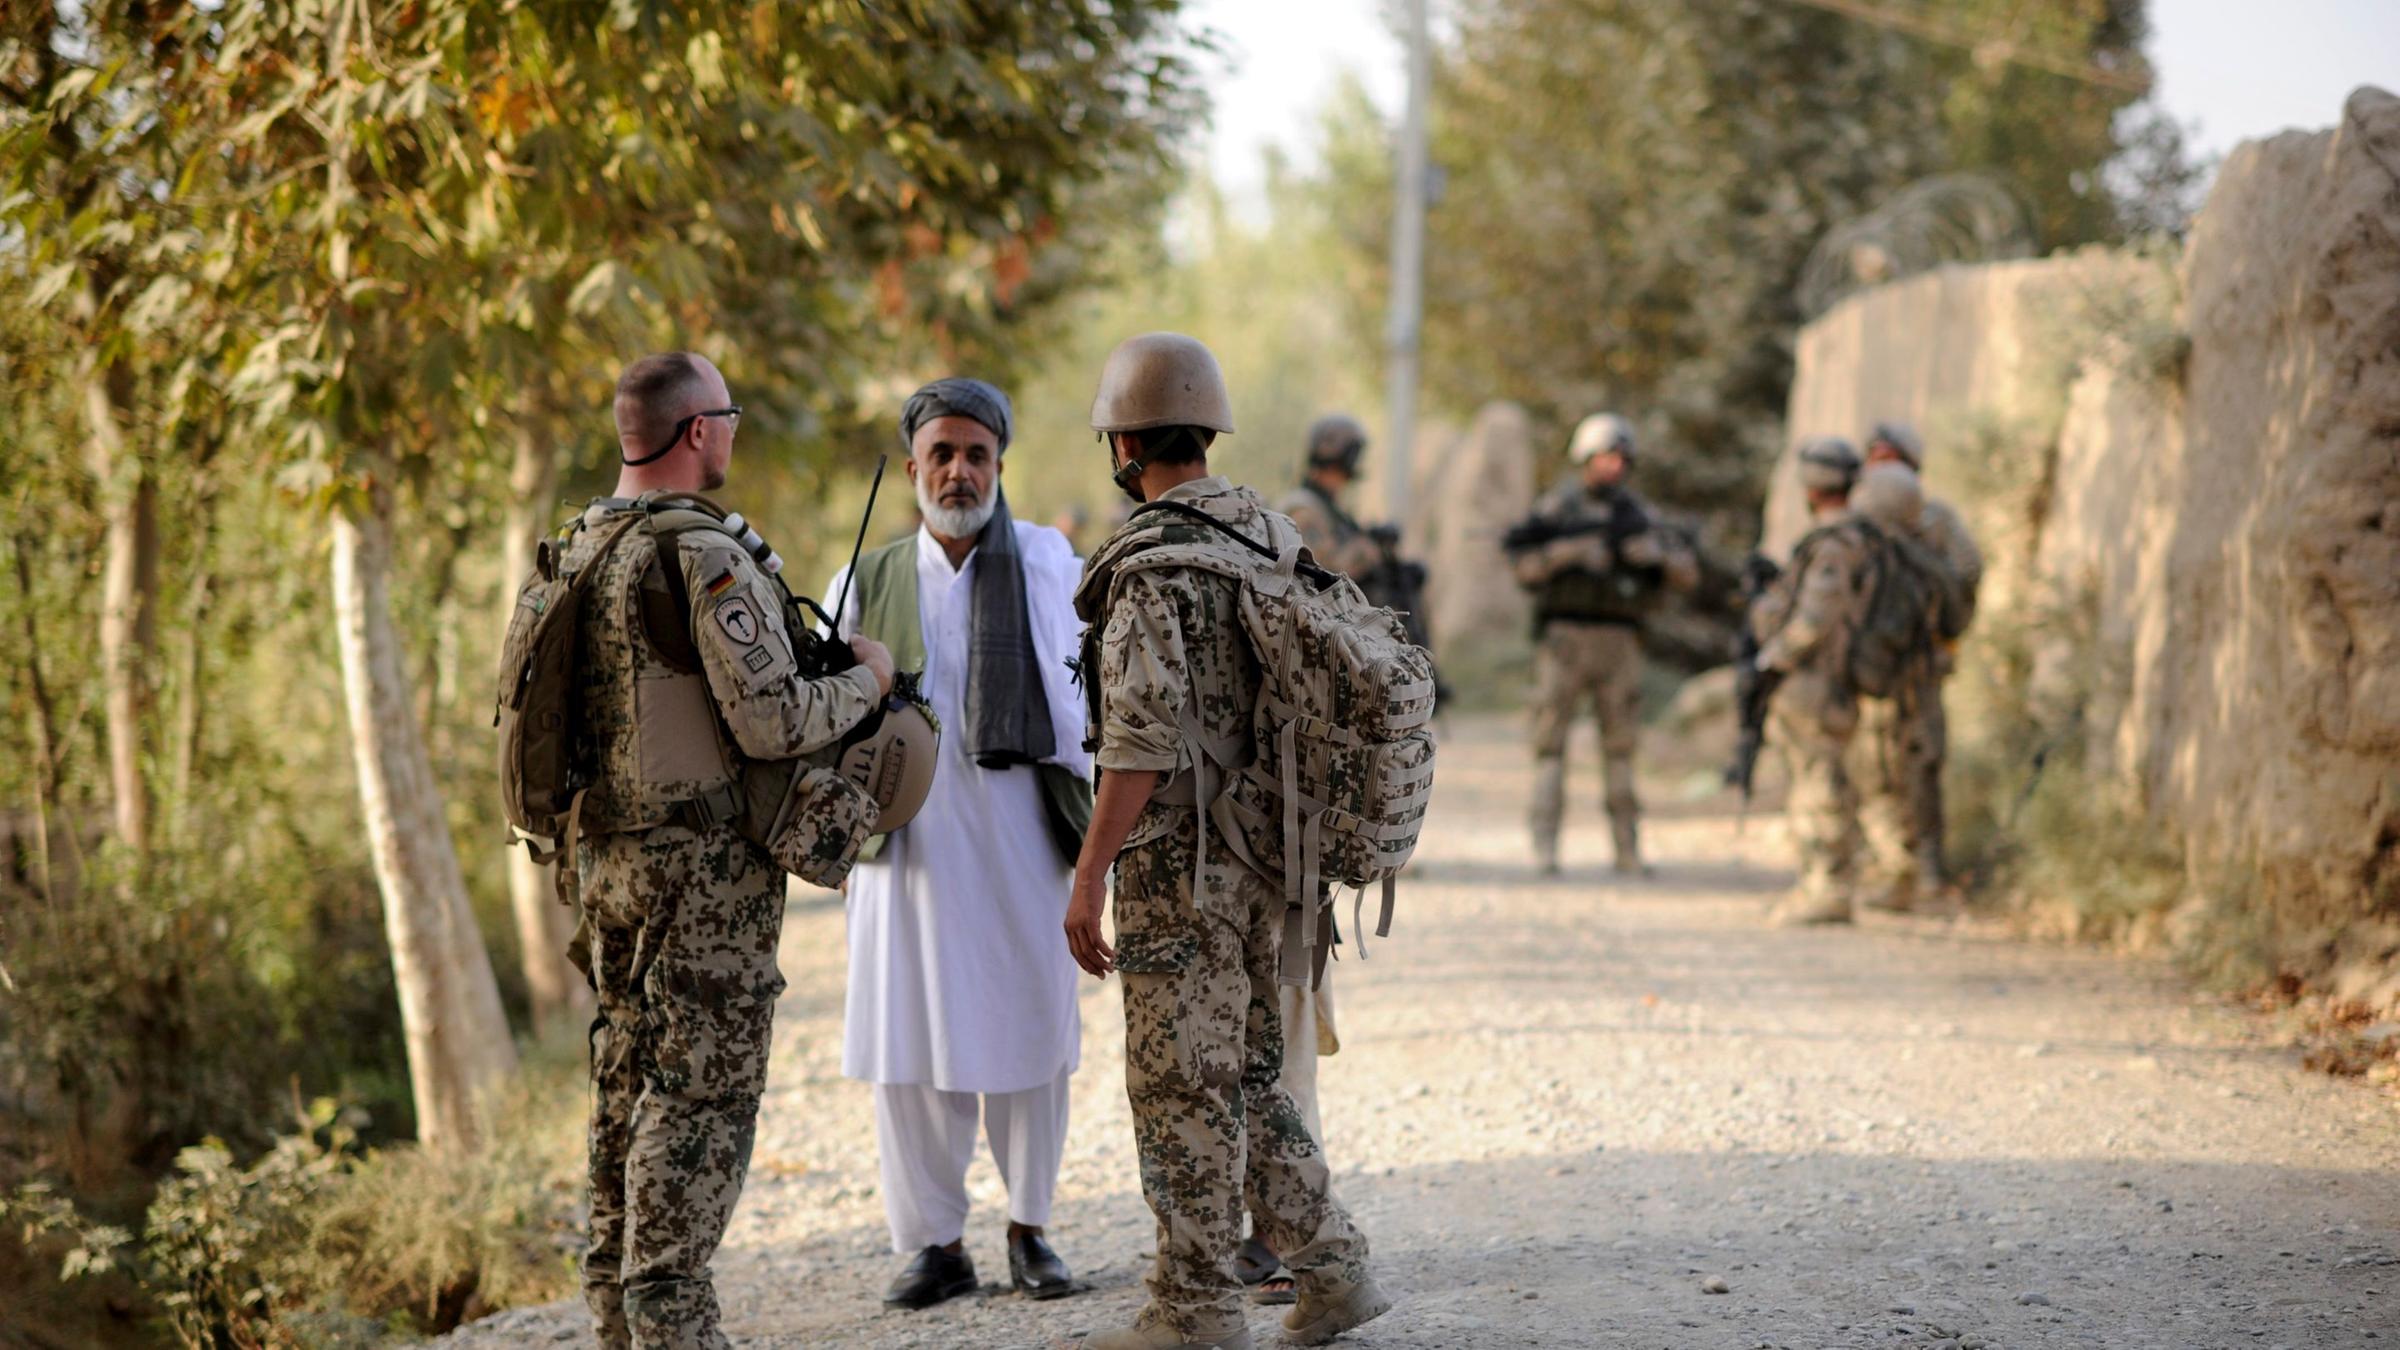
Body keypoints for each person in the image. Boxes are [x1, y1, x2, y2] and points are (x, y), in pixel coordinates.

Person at [1065, 332, 1391, 1350]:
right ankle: (1334, 1271)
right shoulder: (1271, 535)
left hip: (1183, 870)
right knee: (1251, 1073)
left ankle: (1195, 1308)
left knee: (1177, 1083)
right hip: (1273, 859)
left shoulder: (1150, 567)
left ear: (1124, 443)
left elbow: (1139, 742)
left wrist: (1088, 874)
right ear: (1208, 430)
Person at [568, 351, 897, 1349]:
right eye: (732, 418)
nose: (735, 435)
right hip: (701, 869)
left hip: (604, 859)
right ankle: (674, 1321)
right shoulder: (702, 554)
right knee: (700, 1091)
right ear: (698, 430)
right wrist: (869, 682)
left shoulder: (580, 545)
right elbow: (771, 718)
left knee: (626, 1069)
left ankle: (616, 1314)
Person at [822, 378, 1091, 1308]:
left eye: (977, 453)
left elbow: (1084, 703)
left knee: (1029, 1031)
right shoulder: (864, 580)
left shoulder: (1051, 562)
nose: (959, 469)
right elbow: (823, 725)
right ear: (912, 469)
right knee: (910, 1047)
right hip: (909, 857)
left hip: (1022, 840)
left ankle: (1031, 1228)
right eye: (942, 452)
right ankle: (936, 1244)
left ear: (1000, 466)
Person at [1503, 412, 1700, 876]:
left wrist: (1659, 557)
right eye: (1606, 457)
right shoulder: (1558, 510)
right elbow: (1523, 567)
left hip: (1620, 641)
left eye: (1622, 458)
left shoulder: (1640, 516)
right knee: (1551, 744)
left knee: (1621, 746)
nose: (1615, 466)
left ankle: (1626, 849)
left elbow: (1687, 574)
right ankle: (1546, 847)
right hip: (1566, 638)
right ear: (1585, 459)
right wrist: (1567, 554)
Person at [1748, 437, 1872, 927]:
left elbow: (1816, 617)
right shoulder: (1847, 539)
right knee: (1811, 781)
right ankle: (1815, 885)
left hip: (1818, 681)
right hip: (1822, 680)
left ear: (1813, 487)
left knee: (1820, 783)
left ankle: (1830, 889)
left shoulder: (1834, 545)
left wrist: (1773, 660)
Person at [1862, 421, 1983, 896]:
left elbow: (1965, 579)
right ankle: (1896, 868)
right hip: (1878, 669)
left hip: (1913, 666)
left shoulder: (1933, 521)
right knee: (1876, 770)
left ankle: (1923, 869)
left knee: (1920, 764)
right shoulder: (1870, 522)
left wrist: (1943, 635)